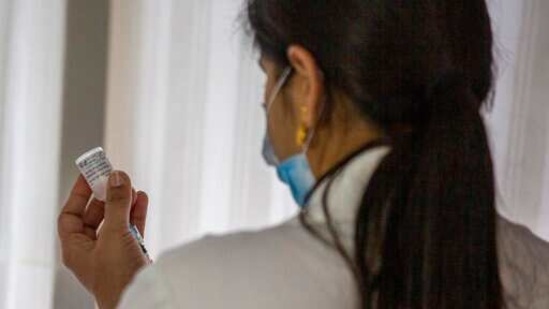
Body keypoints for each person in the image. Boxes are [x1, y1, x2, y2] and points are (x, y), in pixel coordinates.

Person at [57, 0, 549, 308]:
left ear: (306, 83)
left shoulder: (197, 289)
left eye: (268, 78)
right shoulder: (538, 271)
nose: (266, 102)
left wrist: (129, 299)